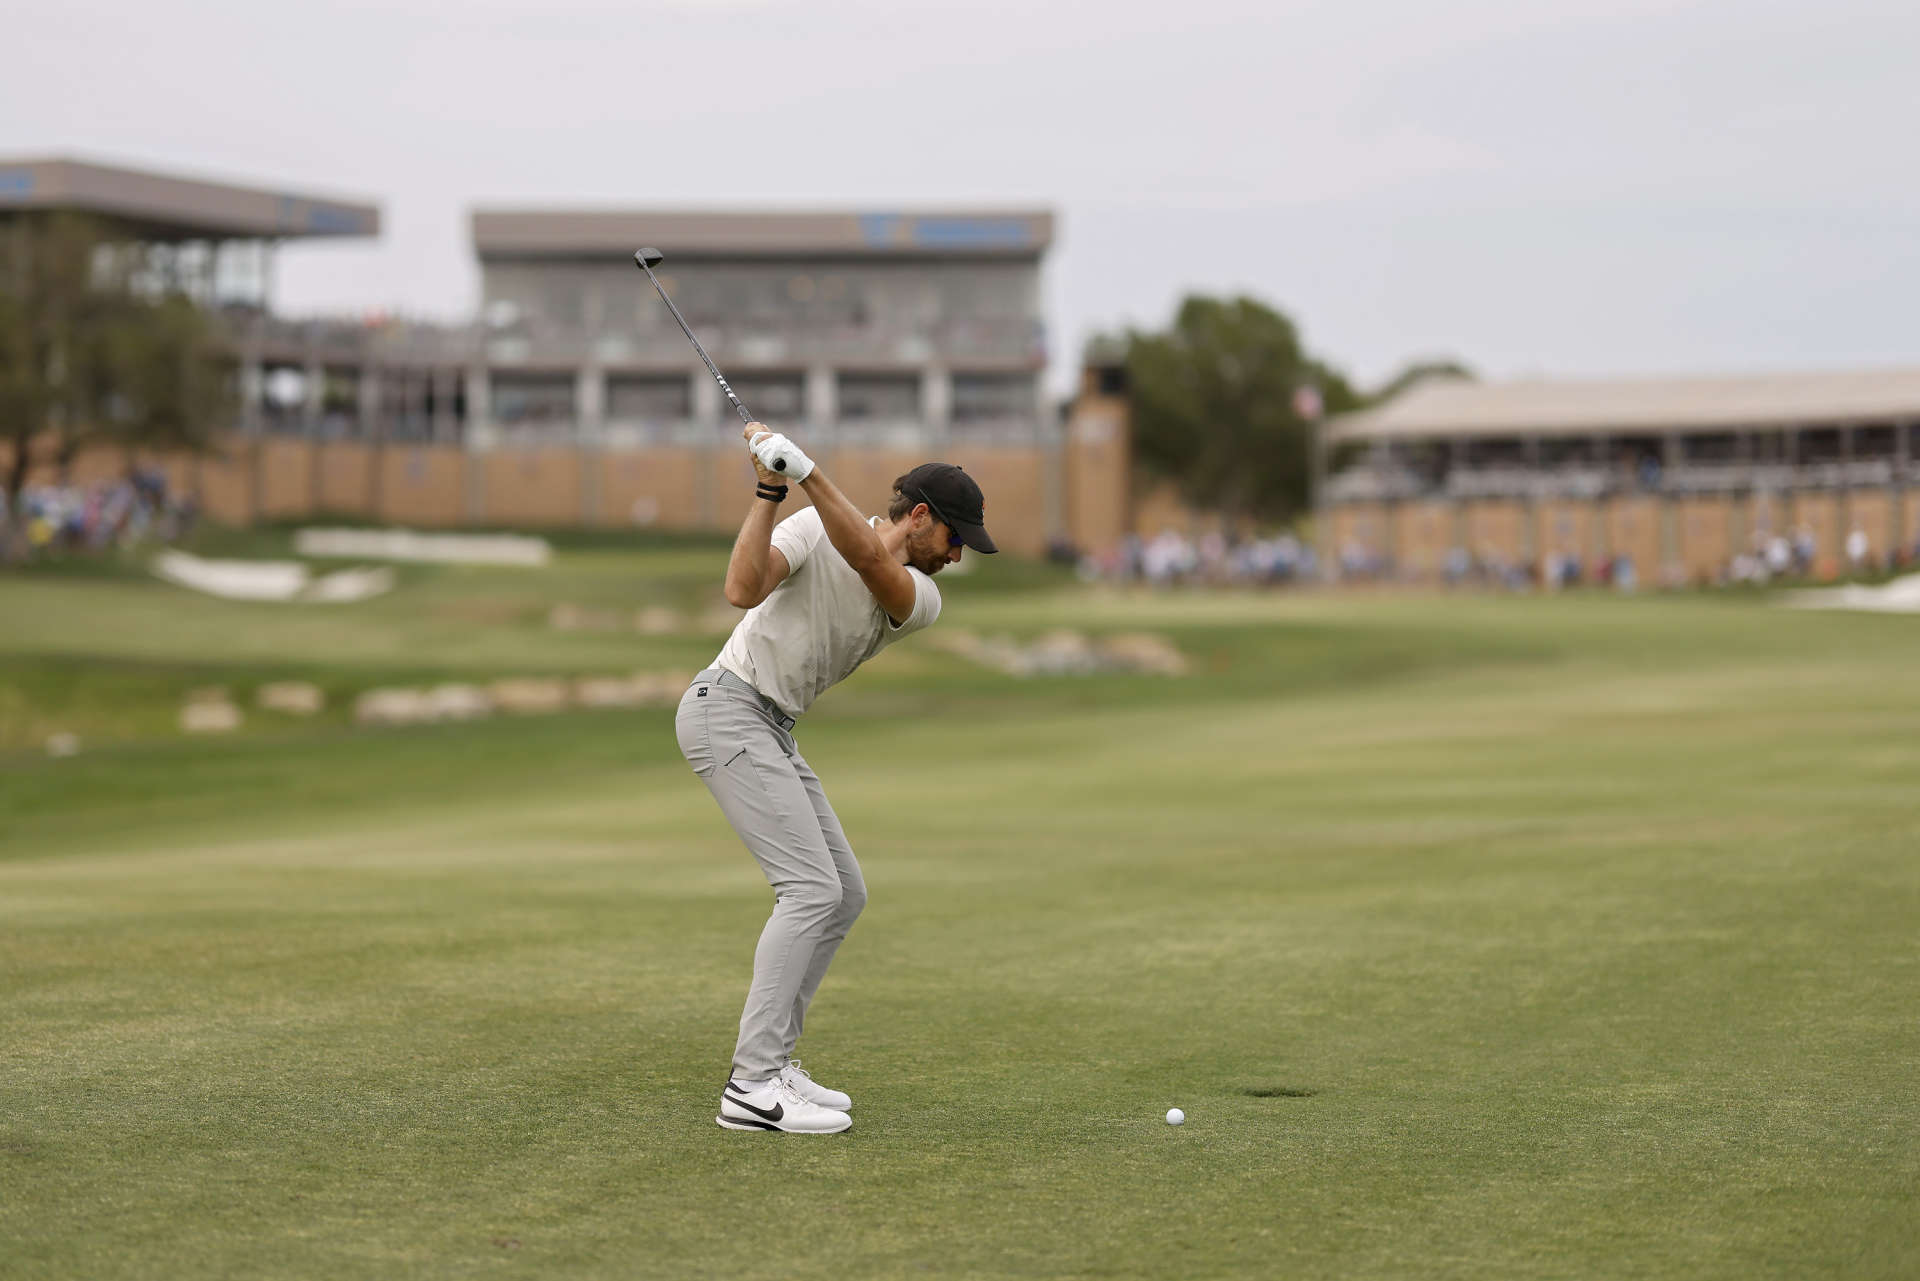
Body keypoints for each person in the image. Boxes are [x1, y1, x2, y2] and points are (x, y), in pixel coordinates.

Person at [675, 420, 998, 1134]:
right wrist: (769, 488)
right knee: (810, 889)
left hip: (771, 726)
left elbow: (868, 562)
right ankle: (751, 1084)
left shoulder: (918, 591)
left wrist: (808, 472)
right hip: (725, 708)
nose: (956, 556)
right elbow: (740, 588)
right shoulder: (810, 529)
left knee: (843, 892)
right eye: (954, 539)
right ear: (921, 517)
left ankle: (775, 1061)